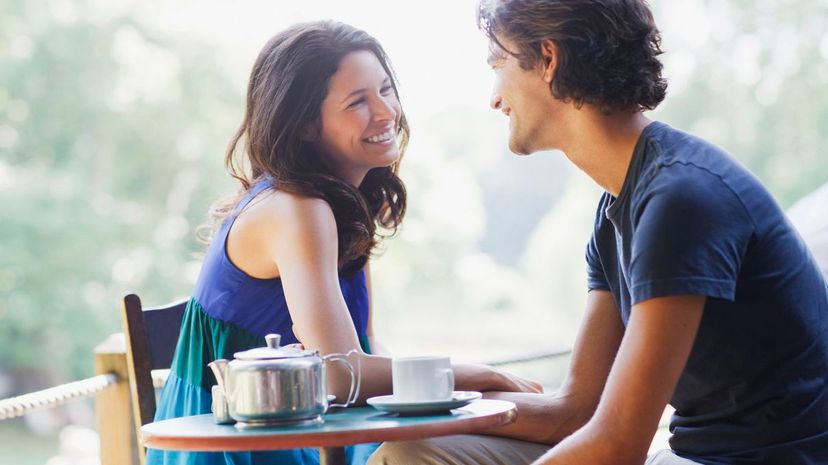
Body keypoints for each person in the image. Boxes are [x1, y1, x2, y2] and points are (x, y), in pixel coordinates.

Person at [368, 1, 828, 464]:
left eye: (498, 65)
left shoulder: (680, 199)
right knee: (411, 453)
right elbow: (576, 412)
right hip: (689, 457)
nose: (494, 98)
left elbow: (618, 444)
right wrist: (450, 399)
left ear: (549, 60)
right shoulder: (617, 208)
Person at [146, 20, 541, 465]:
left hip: (318, 435)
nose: (385, 111)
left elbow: (366, 352)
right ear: (305, 126)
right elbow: (342, 374)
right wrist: (474, 374)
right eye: (357, 102)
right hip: (246, 449)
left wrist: (461, 385)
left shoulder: (340, 209)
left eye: (385, 90)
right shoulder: (297, 209)